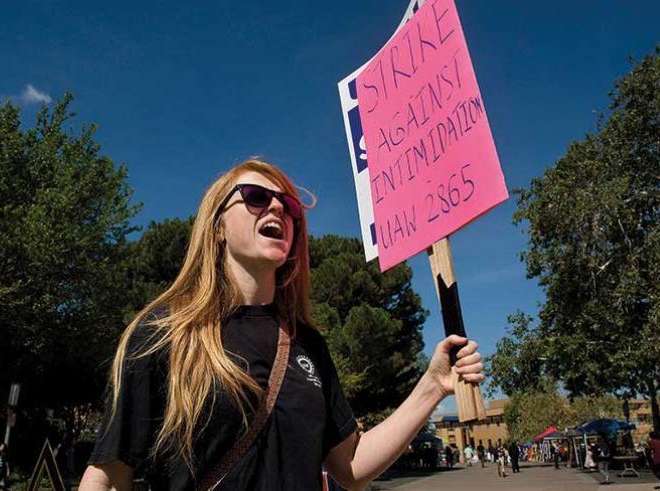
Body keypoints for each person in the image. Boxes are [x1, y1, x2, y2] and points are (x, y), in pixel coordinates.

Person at [78, 160, 485, 491]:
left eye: (288, 207)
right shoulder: (164, 334)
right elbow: (109, 478)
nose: (277, 208)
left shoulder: (308, 344)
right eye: (256, 197)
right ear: (217, 226)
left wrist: (433, 385)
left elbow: (351, 467)